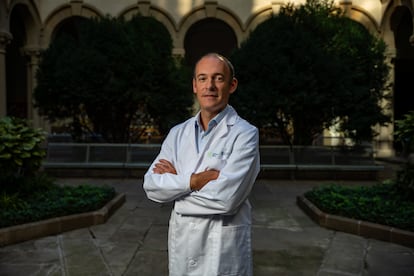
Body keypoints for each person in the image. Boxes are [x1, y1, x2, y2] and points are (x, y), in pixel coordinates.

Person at [143, 53, 260, 276]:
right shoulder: (177, 133)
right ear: (195, 86)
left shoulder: (245, 134)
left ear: (232, 85)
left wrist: (175, 190)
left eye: (218, 78)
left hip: (222, 249)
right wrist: (195, 181)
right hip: (183, 245)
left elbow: (226, 199)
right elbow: (151, 185)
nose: (210, 86)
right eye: (203, 78)